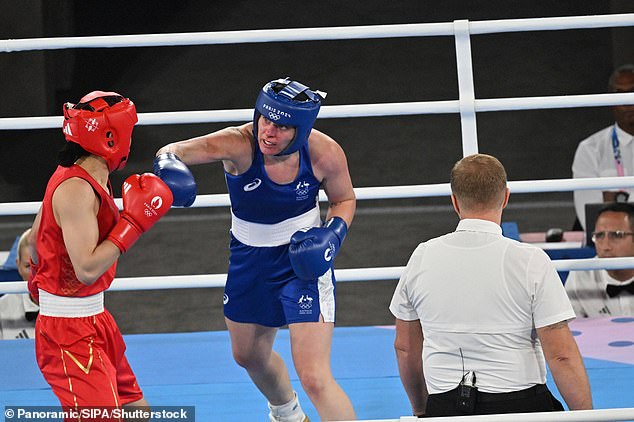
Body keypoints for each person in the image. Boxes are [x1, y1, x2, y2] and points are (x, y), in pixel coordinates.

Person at [154, 77, 356, 421]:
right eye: (265, 119)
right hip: (250, 260)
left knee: (314, 378)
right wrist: (169, 166)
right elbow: (172, 150)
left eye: (281, 126)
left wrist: (333, 234)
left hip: (302, 262)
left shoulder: (325, 153)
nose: (268, 131)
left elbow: (344, 199)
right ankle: (288, 414)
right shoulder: (238, 143)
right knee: (248, 355)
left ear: (302, 129)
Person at [390, 154, 593, 417]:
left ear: (454, 201)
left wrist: (422, 410)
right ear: (505, 197)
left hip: (446, 408)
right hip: (521, 406)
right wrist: (589, 417)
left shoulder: (422, 256)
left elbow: (404, 347)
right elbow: (561, 355)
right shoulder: (530, 261)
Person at [27, 91, 173, 419]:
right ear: (112, 137)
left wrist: (39, 278)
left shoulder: (91, 176)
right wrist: (133, 224)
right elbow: (87, 269)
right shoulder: (76, 189)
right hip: (69, 331)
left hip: (95, 319)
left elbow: (32, 238)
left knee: (137, 411)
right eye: (129, 133)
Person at [572, 64, 634, 230]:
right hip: (613, 246)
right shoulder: (590, 149)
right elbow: (591, 220)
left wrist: (616, 201)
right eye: (620, 94)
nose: (628, 101)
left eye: (632, 92)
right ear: (610, 100)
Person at [566, 202, 634, 317]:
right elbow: (570, 329)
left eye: (617, 235)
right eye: (599, 235)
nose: (605, 246)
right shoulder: (580, 277)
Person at [0, 228, 39, 340]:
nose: (34, 274)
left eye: (40, 265)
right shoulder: (2, 309)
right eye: (28, 266)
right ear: (18, 266)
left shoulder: (70, 307)